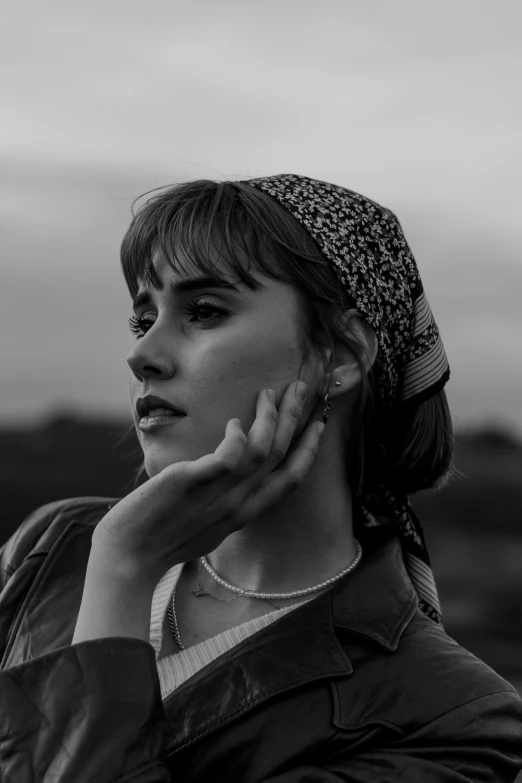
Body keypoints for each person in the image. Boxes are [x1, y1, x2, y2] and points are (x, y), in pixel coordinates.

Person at [0, 174, 521, 782]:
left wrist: (123, 569)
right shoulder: (54, 546)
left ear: (342, 355)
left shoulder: (450, 720)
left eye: (203, 311)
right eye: (144, 319)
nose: (142, 355)